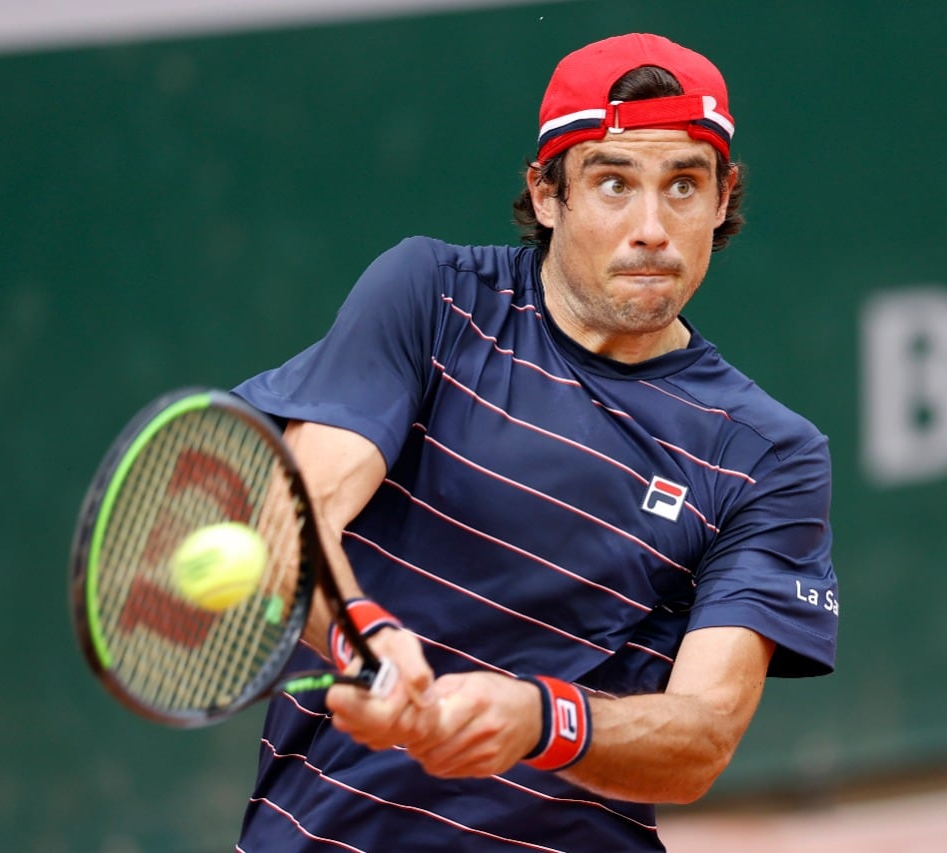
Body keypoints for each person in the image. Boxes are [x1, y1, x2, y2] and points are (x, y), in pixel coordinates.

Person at [232, 32, 838, 852]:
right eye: (614, 183)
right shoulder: (431, 299)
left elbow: (702, 738)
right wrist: (364, 637)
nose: (652, 228)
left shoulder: (767, 456)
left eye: (684, 186)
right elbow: (292, 519)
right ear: (547, 193)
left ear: (725, 196)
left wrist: (537, 720)